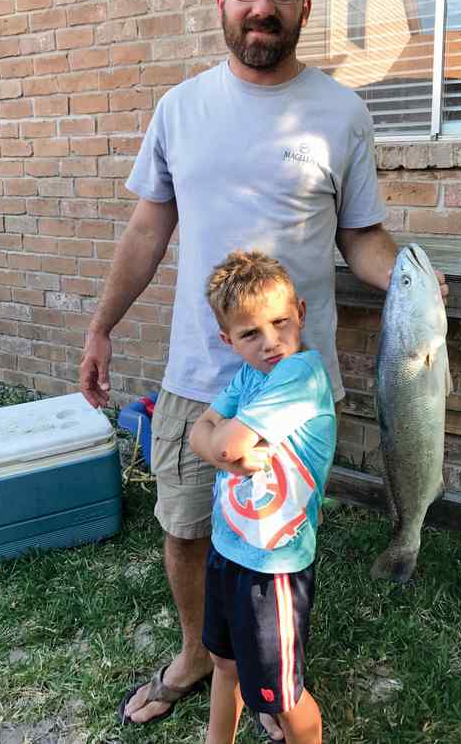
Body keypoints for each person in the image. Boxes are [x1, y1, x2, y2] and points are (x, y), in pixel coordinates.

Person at [80, 0, 448, 738]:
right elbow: (147, 231)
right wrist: (102, 325)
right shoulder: (180, 108)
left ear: (304, 6)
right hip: (196, 374)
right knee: (186, 524)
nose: (262, 8)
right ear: (221, 0)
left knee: (279, 538)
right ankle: (198, 653)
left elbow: (361, 236)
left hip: (290, 386)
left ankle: (275, 674)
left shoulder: (341, 112)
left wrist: (413, 278)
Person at [189, 250, 335, 744]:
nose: (271, 342)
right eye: (251, 333)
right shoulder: (249, 377)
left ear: (301, 312)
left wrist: (223, 446)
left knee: (282, 697)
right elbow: (198, 435)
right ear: (228, 340)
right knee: (223, 662)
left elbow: (220, 439)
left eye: (279, 323)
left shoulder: (301, 375)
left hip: (273, 568)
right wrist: (224, 449)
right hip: (229, 548)